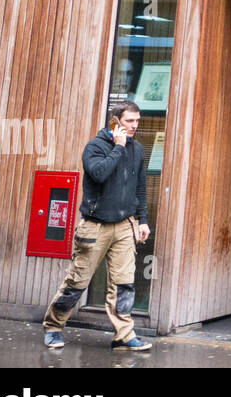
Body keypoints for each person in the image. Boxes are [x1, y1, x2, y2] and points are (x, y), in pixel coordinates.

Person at [42, 102, 152, 351]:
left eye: (137, 121)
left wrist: (142, 220)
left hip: (125, 225)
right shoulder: (95, 147)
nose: (134, 126)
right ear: (115, 121)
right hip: (95, 226)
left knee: (124, 284)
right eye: (129, 121)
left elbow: (140, 188)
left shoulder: (137, 150)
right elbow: (99, 174)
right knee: (77, 281)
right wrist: (118, 148)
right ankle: (53, 326)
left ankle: (124, 334)